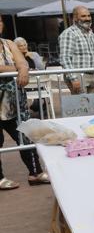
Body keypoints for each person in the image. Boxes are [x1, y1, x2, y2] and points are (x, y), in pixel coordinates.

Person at [0, 19, 49, 190]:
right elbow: (17, 66)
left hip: (14, 103)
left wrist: (22, 68)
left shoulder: (8, 43)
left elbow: (23, 62)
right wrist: (16, 68)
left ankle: (35, 173)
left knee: (25, 136)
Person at [58, 6, 94, 94]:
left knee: (92, 105)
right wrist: (73, 78)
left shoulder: (91, 34)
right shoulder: (69, 33)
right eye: (83, 16)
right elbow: (65, 58)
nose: (87, 18)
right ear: (75, 18)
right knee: (82, 106)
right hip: (78, 75)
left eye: (89, 16)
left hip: (91, 75)